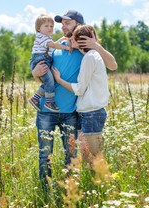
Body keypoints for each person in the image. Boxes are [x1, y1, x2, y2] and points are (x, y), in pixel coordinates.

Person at [32, 10, 117, 184]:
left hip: (70, 111)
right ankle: (44, 189)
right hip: (46, 109)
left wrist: (96, 45)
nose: (62, 26)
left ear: (78, 24)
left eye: (67, 23)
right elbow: (42, 73)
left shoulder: (87, 50)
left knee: (71, 155)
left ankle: (69, 189)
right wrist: (34, 73)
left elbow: (113, 65)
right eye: (61, 23)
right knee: (44, 154)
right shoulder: (56, 46)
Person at [52, 25, 109, 157]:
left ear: (82, 40)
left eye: (74, 36)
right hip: (87, 112)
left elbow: (80, 89)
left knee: (94, 157)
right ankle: (91, 177)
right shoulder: (90, 56)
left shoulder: (90, 57)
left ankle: (100, 177)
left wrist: (59, 80)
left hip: (92, 113)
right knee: (86, 156)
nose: (69, 38)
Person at [29, 14, 70, 113]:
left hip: (44, 60)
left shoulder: (46, 38)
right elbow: (53, 45)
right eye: (46, 26)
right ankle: (49, 101)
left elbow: (52, 44)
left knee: (48, 82)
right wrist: (66, 47)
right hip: (40, 61)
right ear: (39, 29)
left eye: (51, 26)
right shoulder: (41, 37)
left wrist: (61, 40)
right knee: (50, 81)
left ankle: (35, 98)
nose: (50, 28)